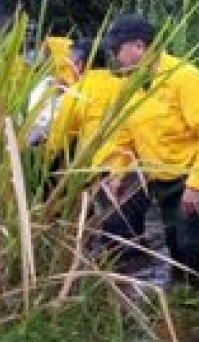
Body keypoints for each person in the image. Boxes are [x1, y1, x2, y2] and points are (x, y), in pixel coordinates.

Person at [101, 14, 199, 283]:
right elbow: (123, 137)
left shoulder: (184, 77)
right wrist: (117, 173)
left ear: (139, 46)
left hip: (198, 171)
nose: (114, 57)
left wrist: (195, 186)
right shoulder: (129, 85)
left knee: (193, 247)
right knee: (175, 247)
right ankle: (187, 305)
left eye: (117, 50)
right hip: (163, 178)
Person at [45, 37, 150, 255]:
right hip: (140, 168)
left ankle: (118, 283)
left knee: (114, 239)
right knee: (135, 234)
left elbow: (58, 136)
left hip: (106, 170)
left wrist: (44, 166)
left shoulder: (79, 90)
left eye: (69, 63)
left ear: (81, 64)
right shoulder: (129, 84)